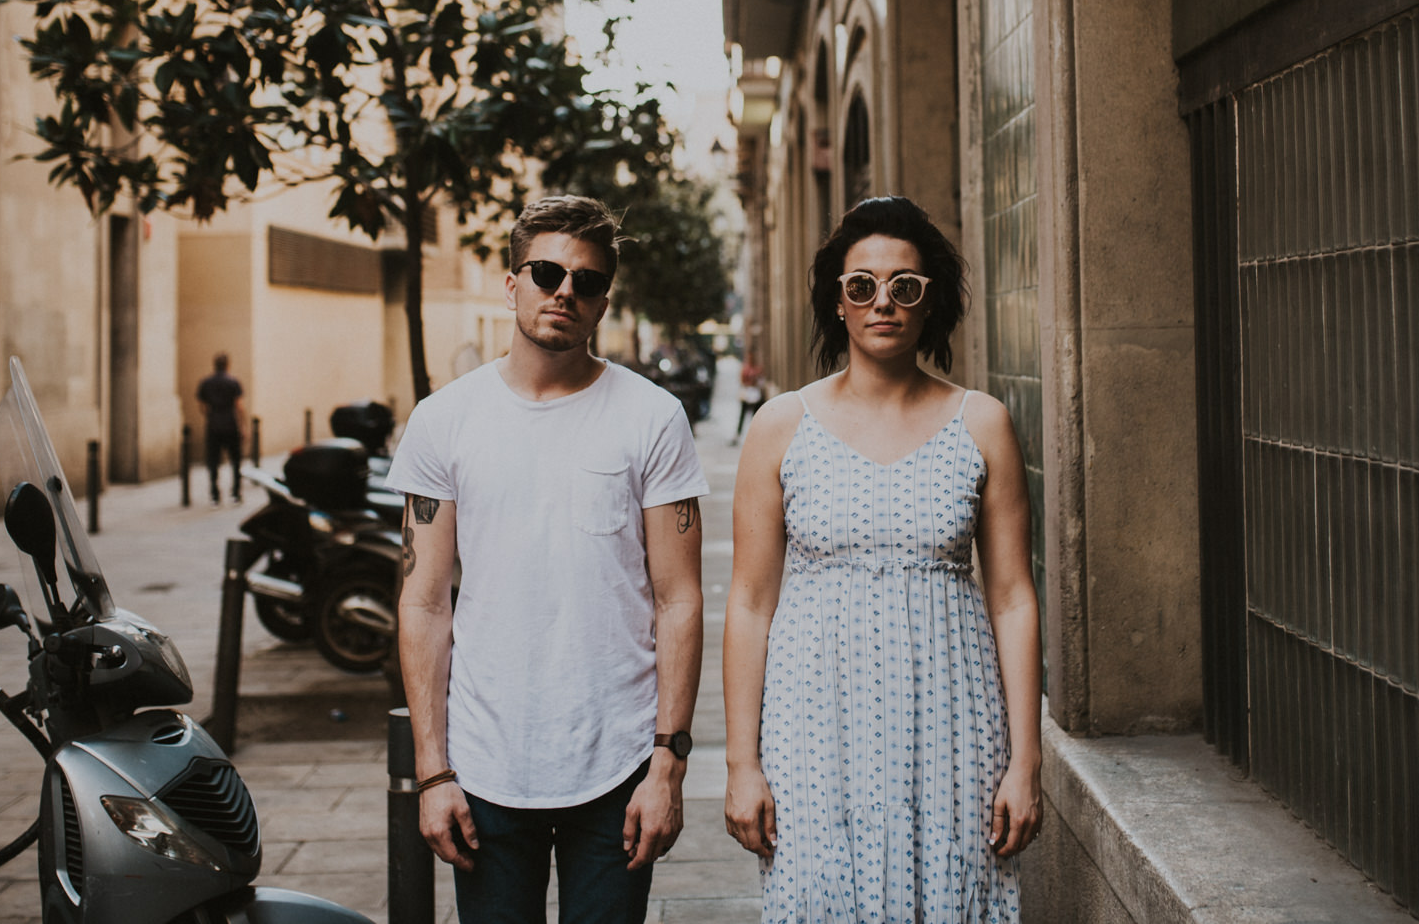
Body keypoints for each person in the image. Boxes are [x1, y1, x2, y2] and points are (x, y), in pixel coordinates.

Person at [723, 196, 1043, 921]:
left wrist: (1025, 760)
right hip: (813, 728)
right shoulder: (781, 426)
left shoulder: (982, 422)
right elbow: (747, 603)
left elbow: (1014, 598)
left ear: (931, 301)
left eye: (906, 285)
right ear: (837, 301)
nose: (883, 302)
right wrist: (742, 762)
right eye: (861, 285)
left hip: (953, 725)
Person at [393, 195, 708, 924]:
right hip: (485, 766)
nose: (565, 289)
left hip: (620, 764)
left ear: (603, 302)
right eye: (545, 271)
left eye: (588, 280)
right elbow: (423, 600)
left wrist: (668, 761)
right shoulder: (446, 419)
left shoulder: (653, 417)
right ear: (512, 283)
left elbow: (680, 600)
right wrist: (432, 768)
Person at [194, 353, 246, 505]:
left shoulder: (205, 383)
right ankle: (236, 493)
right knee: (235, 460)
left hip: (214, 426)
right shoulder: (233, 382)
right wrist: (243, 426)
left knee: (213, 461)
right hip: (231, 425)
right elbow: (239, 407)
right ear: (228, 365)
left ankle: (215, 494)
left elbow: (202, 407)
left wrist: (211, 415)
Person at [732, 353, 765, 445]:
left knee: (755, 417)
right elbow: (742, 380)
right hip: (747, 395)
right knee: (743, 416)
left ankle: (756, 435)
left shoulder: (758, 369)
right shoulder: (746, 369)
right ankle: (738, 435)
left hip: (755, 396)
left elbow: (760, 380)